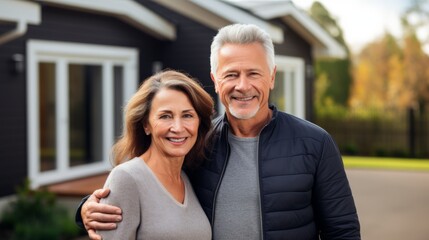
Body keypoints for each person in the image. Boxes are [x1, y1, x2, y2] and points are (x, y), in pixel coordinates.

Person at [76, 24, 361, 240]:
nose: (243, 86)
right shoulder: (197, 142)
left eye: (254, 73)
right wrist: (86, 208)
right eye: (231, 75)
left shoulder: (314, 143)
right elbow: (146, 182)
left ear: (272, 76)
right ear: (215, 79)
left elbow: (343, 230)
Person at [91, 70, 213, 239]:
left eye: (187, 115)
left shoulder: (187, 177)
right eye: (165, 116)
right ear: (146, 125)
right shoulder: (126, 178)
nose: (177, 128)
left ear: (199, 123)